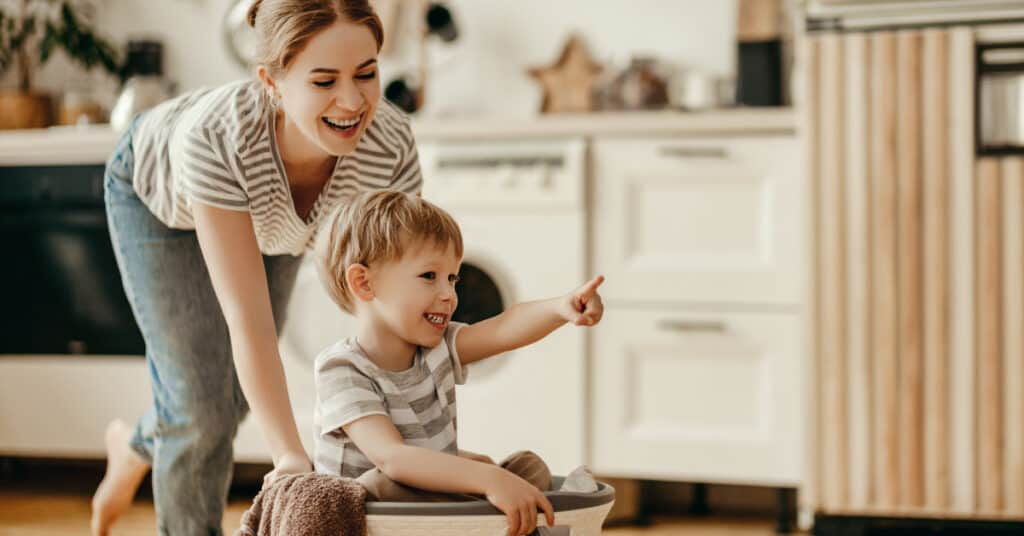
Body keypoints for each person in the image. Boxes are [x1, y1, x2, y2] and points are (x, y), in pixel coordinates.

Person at [90, 1, 420, 534]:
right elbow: (249, 321)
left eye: (367, 73)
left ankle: (134, 448)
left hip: (273, 223)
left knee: (231, 400)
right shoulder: (218, 139)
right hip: (155, 199)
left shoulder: (390, 146)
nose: (353, 100)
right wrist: (291, 461)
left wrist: (402, 439)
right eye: (324, 81)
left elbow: (393, 300)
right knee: (201, 409)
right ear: (271, 81)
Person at [312, 190, 606, 536]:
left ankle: (486, 513)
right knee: (381, 483)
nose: (449, 294)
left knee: (529, 468)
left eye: (452, 278)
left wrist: (560, 308)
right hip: (376, 513)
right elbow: (393, 458)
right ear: (365, 283)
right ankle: (487, 514)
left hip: (432, 497)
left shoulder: (437, 348)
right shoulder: (342, 369)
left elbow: (504, 329)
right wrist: (486, 478)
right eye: (429, 276)